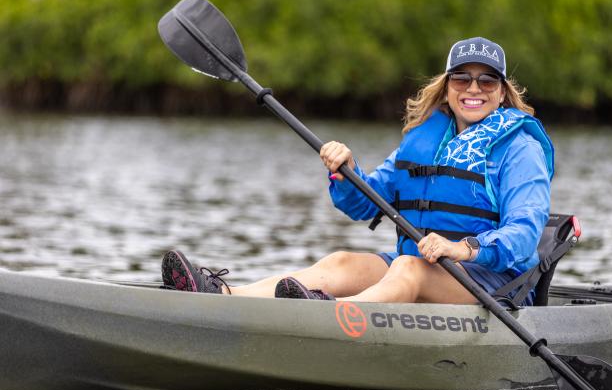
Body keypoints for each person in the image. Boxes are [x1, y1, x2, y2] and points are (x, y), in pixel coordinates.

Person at [161, 36, 554, 306]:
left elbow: (524, 235)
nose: (474, 87)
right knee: (342, 261)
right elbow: (366, 202)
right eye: (462, 77)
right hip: (420, 265)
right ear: (447, 86)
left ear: (502, 91)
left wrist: (460, 248)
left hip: (489, 281)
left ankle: (329, 315)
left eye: (487, 79)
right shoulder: (426, 139)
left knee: (407, 267)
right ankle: (223, 296)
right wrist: (345, 171)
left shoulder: (521, 149)